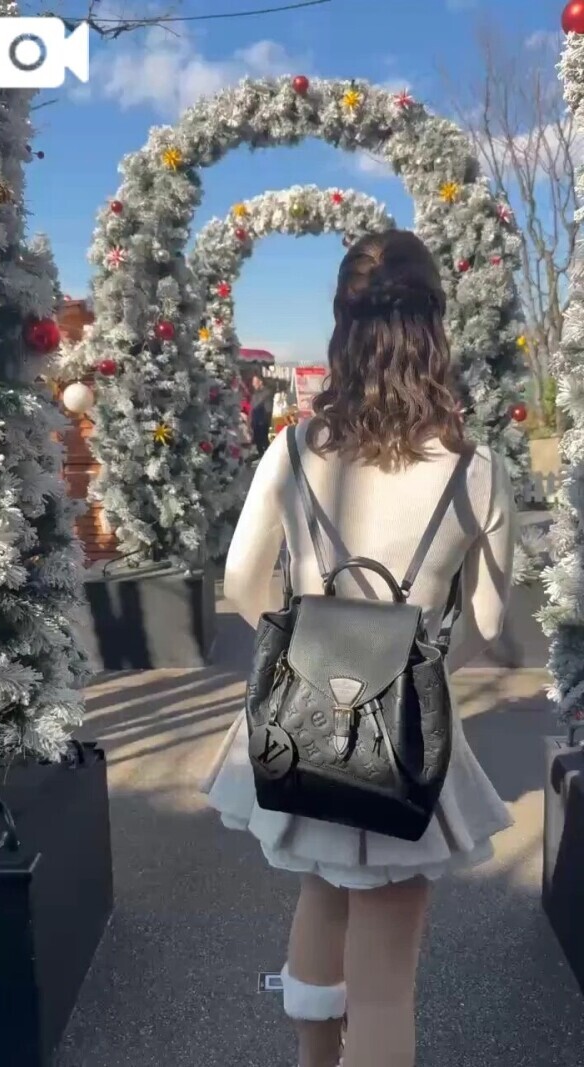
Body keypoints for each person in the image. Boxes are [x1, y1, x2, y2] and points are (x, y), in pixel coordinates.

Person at [201, 230, 516, 1067]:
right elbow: (487, 620)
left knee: (320, 893)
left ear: (344, 325)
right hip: (403, 733)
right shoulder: (475, 469)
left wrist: (311, 648)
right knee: (384, 985)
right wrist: (414, 666)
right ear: (433, 327)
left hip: (306, 714)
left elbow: (240, 584)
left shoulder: (294, 451)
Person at [250, 372, 273, 456]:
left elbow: (268, 409)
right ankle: (261, 454)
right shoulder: (255, 394)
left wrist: (264, 422)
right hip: (256, 423)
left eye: (254, 382)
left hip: (262, 423)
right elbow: (252, 408)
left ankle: (267, 455)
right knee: (258, 443)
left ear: (260, 382)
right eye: (252, 382)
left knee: (264, 442)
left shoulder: (267, 393)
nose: (253, 384)